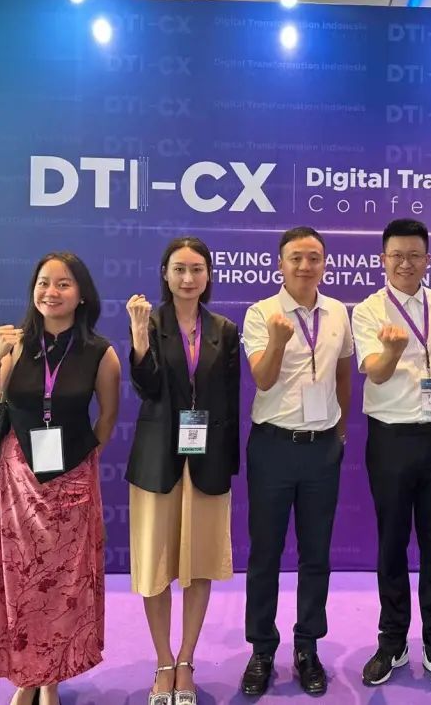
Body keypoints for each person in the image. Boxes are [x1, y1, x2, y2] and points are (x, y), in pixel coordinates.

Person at [0, 252, 121, 705]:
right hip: (17, 481)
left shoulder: (101, 352)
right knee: (19, 581)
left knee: (62, 587)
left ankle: (50, 679)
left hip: (72, 483)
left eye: (63, 284)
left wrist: (83, 462)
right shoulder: (14, 344)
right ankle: (26, 676)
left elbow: (107, 418)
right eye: (43, 282)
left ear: (81, 295)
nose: (51, 292)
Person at [350, 218, 431, 695]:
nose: (405, 263)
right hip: (390, 439)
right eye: (396, 255)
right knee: (392, 544)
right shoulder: (368, 310)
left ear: (428, 259)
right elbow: (374, 373)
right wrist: (392, 350)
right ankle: (393, 641)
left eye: (414, 255)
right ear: (383, 259)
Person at [125, 237, 241, 705]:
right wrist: (138, 338)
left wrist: (228, 463)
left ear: (208, 275)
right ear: (165, 274)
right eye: (179, 269)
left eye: (197, 269)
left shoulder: (224, 329)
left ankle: (187, 661)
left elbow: (230, 400)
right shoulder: (150, 322)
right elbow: (147, 388)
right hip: (158, 462)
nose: (188, 278)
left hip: (207, 462)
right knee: (156, 566)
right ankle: (162, 662)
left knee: (199, 564)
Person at [239, 226, 353, 698]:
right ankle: (262, 649)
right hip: (273, 446)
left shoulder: (338, 312)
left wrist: (339, 429)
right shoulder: (261, 313)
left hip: (322, 447)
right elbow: (263, 380)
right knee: (265, 553)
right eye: (296, 258)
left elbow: (343, 371)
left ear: (324, 263)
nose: (305, 266)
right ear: (280, 264)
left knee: (316, 553)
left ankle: (307, 646)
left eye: (314, 258)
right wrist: (278, 341)